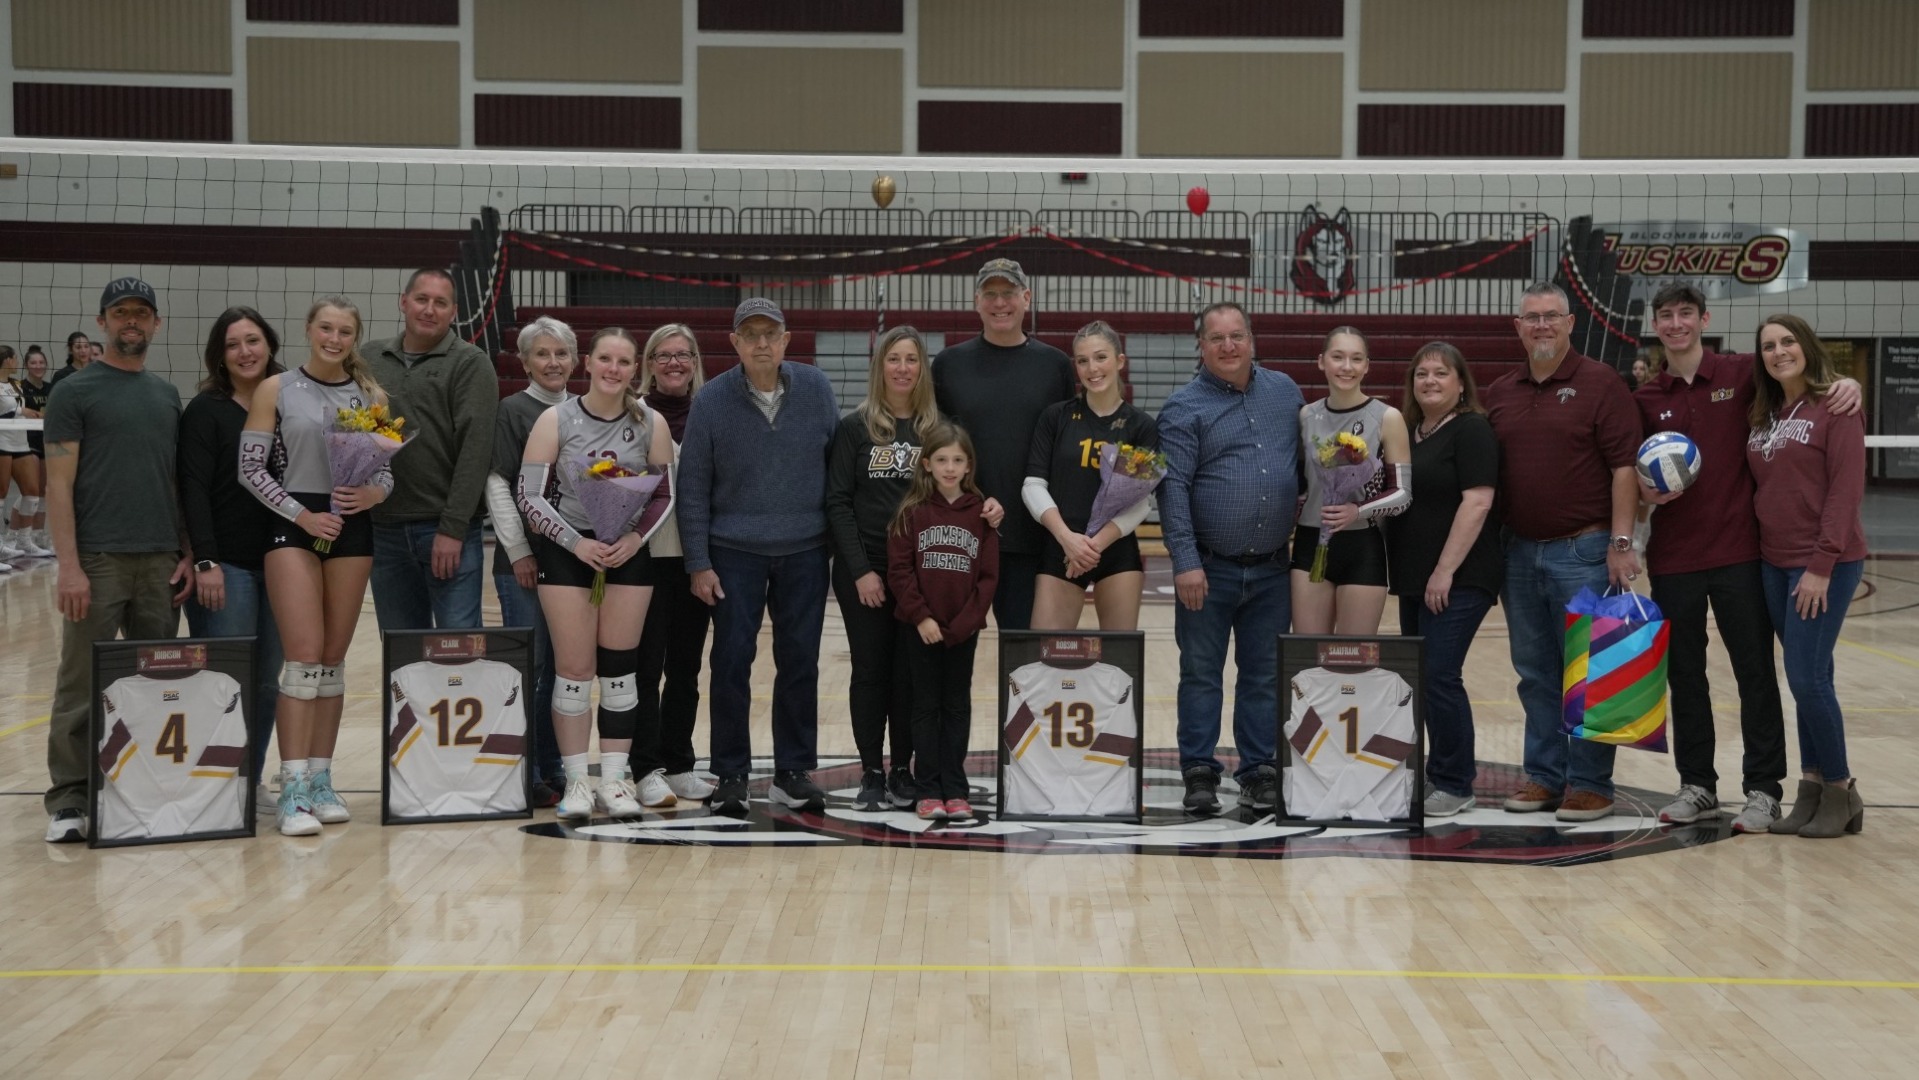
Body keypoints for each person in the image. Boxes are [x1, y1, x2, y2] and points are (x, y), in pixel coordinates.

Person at [1634, 284, 1862, 833]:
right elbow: (1629, 474)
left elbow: (1802, 383)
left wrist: (1847, 382)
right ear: (1655, 325)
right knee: (1685, 676)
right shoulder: (1644, 396)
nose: (1676, 323)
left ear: (1704, 318)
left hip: (1742, 554)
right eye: (1666, 316)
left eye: (1686, 313)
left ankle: (1764, 790)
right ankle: (1698, 786)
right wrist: (1645, 494)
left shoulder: (1742, 375)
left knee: (1756, 673)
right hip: (1675, 557)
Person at [1484, 282, 1642, 823]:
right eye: (1532, 317)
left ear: (1571, 323)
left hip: (1587, 551)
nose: (1542, 325)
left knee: (1593, 670)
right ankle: (1545, 777)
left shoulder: (1602, 383)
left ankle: (1592, 784)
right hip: (1518, 553)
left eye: (1552, 316)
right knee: (1535, 673)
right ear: (1518, 326)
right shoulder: (1501, 391)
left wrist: (1621, 543)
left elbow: (1624, 468)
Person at [42, 277, 192, 843]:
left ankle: (142, 791)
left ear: (156, 323)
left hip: (159, 561)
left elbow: (173, 480)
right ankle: (70, 799)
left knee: (157, 684)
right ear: (102, 322)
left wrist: (187, 550)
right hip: (98, 561)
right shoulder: (73, 392)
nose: (132, 321)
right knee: (81, 684)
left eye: (142, 313)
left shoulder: (166, 395)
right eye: (121, 312)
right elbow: (58, 485)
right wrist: (69, 566)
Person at [679, 298, 839, 814]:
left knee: (801, 661)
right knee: (730, 662)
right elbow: (692, 486)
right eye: (751, 334)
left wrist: (837, 547)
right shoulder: (711, 400)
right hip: (733, 552)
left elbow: (837, 469)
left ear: (787, 340)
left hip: (806, 549)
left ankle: (792, 772)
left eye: (771, 333)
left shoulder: (816, 388)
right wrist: (698, 562)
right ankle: (730, 773)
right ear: (735, 343)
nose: (762, 343)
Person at [239, 297, 392, 836]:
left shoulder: (370, 395)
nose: (334, 338)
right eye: (325, 328)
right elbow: (250, 469)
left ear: (355, 337)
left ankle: (322, 780)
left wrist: (373, 494)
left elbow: (384, 471)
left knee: (332, 663)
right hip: (296, 522)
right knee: (303, 661)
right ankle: (293, 786)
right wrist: (302, 515)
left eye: (344, 331)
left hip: (351, 524)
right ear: (308, 330)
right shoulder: (276, 389)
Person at [515, 327, 676, 821]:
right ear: (587, 362)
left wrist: (634, 539)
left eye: (624, 362)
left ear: (635, 369)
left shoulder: (651, 422)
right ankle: (577, 782)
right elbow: (529, 495)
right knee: (574, 672)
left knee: (620, 672)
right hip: (569, 553)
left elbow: (664, 494)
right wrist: (576, 543)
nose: (614, 369)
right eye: (605, 358)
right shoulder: (555, 419)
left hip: (627, 553)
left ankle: (614, 781)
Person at [1158, 302, 1304, 815]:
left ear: (1251, 339)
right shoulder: (1183, 407)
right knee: (1201, 673)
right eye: (1216, 338)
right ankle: (1199, 770)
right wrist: (1184, 561)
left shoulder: (1285, 392)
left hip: (1273, 567)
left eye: (1236, 335)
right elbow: (1173, 488)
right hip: (1208, 567)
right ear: (1200, 345)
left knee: (1263, 675)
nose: (1228, 346)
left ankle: (1258, 770)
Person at [1747, 314, 1868, 839]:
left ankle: (1841, 789)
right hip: (1773, 561)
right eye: (1769, 346)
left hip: (1822, 564)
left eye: (1788, 341)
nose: (1779, 352)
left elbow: (1845, 491)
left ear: (1807, 346)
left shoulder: (1836, 407)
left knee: (1806, 678)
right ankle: (1812, 787)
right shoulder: (1764, 410)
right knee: (1809, 677)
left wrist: (1821, 565)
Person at [1384, 342, 1501, 818]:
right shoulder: (1410, 433)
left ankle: (1455, 782)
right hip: (1417, 579)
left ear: (1460, 383)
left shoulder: (1471, 429)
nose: (1429, 381)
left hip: (1459, 577)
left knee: (1439, 674)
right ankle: (1436, 774)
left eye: (1440, 373)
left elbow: (1478, 501)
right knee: (1422, 677)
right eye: (1421, 374)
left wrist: (1444, 570)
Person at [931, 258, 1076, 631]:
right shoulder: (948, 364)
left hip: (1029, 536)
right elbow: (936, 449)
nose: (1000, 303)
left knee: (1023, 652)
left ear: (1026, 298)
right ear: (976, 301)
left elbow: (1064, 450)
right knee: (949, 645)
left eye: (1009, 293)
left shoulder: (1055, 365)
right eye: (990, 294)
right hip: (960, 533)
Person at [179, 306, 287, 786]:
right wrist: (206, 560)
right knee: (226, 683)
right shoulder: (206, 410)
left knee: (265, 683)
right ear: (219, 356)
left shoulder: (290, 403)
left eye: (253, 340)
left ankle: (250, 783)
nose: (245, 352)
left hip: (284, 564)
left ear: (270, 345)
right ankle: (216, 788)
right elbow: (193, 489)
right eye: (232, 344)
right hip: (227, 567)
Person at [366, 268, 497, 631]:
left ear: (454, 312)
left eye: (440, 303)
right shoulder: (369, 357)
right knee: (400, 649)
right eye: (421, 299)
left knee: (459, 648)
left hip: (445, 529)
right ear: (403, 302)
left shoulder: (471, 363)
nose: (429, 309)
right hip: (384, 529)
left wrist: (453, 529)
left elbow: (475, 452)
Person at [484, 314, 576, 807]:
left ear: (575, 360)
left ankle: (553, 765)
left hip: (570, 562)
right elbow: (498, 483)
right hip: (524, 561)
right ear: (524, 362)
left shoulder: (582, 410)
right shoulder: (513, 410)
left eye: (561, 353)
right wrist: (519, 551)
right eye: (542, 353)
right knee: (529, 665)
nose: (553, 362)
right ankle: (526, 769)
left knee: (562, 667)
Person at [889, 422, 998, 821]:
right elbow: (900, 571)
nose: (949, 468)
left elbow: (987, 578)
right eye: (941, 460)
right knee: (925, 707)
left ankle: (955, 789)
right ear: (926, 464)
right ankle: (927, 790)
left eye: (957, 460)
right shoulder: (911, 512)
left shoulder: (982, 515)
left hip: (962, 631)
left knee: (956, 707)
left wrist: (966, 622)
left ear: (969, 465)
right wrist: (921, 617)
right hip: (921, 629)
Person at [1024, 321, 1159, 631]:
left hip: (1116, 551)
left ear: (1120, 361)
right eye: (1082, 360)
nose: (1092, 368)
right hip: (1062, 547)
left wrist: (1092, 546)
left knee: (1120, 656)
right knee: (1047, 653)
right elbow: (1033, 485)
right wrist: (1067, 539)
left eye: (1101, 357)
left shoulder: (1141, 426)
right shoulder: (1055, 417)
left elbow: (1141, 503)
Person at [630, 323, 717, 806]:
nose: (673, 363)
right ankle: (646, 767)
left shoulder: (710, 411)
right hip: (645, 559)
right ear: (649, 363)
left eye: (682, 355)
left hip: (695, 560)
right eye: (663, 355)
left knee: (685, 668)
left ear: (695, 362)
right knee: (646, 669)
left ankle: (680, 762)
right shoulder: (633, 414)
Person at [1290, 327, 1412, 635]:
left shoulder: (1387, 417)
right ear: (1322, 361)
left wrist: (1357, 510)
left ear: (1367, 366)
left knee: (1352, 657)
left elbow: (1403, 494)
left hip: (1361, 546)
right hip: (1309, 543)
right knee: (1308, 655)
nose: (1347, 366)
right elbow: (1301, 486)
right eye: (1338, 357)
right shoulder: (1306, 416)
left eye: (1356, 359)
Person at [12, 346, 53, 552]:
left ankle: (37, 536)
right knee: (31, 490)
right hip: (27, 442)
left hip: (46, 442)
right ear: (27, 365)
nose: (38, 366)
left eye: (41, 362)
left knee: (43, 491)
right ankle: (13, 533)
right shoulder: (20, 387)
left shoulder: (51, 388)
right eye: (33, 363)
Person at [0, 348, 26, 566]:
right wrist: (16, 413)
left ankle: (21, 541)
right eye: (15, 357)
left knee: (32, 490)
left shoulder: (16, 384)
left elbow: (21, 410)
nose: (17, 361)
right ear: (7, 360)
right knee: (1, 493)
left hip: (21, 441)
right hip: (2, 440)